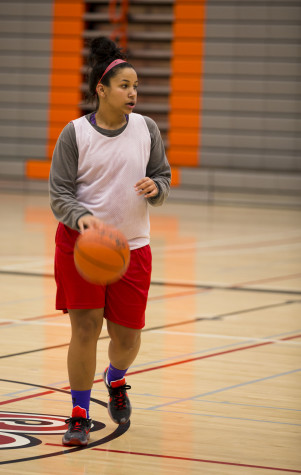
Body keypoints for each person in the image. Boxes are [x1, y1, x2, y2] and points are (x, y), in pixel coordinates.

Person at [49, 36, 171, 446]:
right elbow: (59, 194)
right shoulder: (74, 134)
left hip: (132, 247)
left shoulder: (147, 129)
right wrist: (83, 220)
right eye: (124, 85)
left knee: (127, 338)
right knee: (84, 328)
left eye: (135, 85)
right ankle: (79, 413)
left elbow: (164, 175)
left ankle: (115, 378)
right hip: (80, 246)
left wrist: (156, 186)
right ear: (101, 89)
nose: (133, 92)